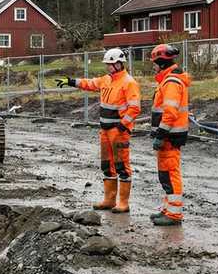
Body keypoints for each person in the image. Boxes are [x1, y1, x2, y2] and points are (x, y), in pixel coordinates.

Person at [55, 48, 140, 212]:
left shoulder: (129, 82)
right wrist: (71, 81)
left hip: (118, 131)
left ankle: (123, 203)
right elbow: (90, 83)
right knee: (107, 165)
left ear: (119, 63)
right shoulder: (106, 80)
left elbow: (134, 108)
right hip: (105, 130)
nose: (108, 67)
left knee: (122, 166)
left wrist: (123, 126)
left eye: (111, 64)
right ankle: (109, 200)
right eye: (107, 64)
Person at [149, 44, 191, 226]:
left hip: (170, 136)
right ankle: (168, 209)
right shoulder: (169, 80)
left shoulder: (171, 82)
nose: (153, 67)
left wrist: (161, 134)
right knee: (165, 174)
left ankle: (174, 215)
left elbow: (170, 112)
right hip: (170, 135)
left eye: (155, 64)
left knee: (170, 173)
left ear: (162, 63)